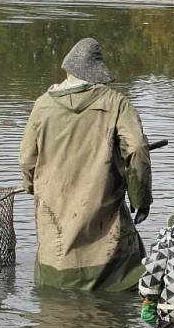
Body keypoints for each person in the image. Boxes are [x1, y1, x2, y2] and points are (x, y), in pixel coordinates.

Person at [20, 37, 152, 292]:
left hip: (55, 224)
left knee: (55, 291)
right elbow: (136, 149)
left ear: (68, 70)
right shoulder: (116, 103)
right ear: (97, 74)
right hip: (105, 223)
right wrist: (140, 198)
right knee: (122, 287)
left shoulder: (42, 105)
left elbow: (27, 158)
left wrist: (32, 188)